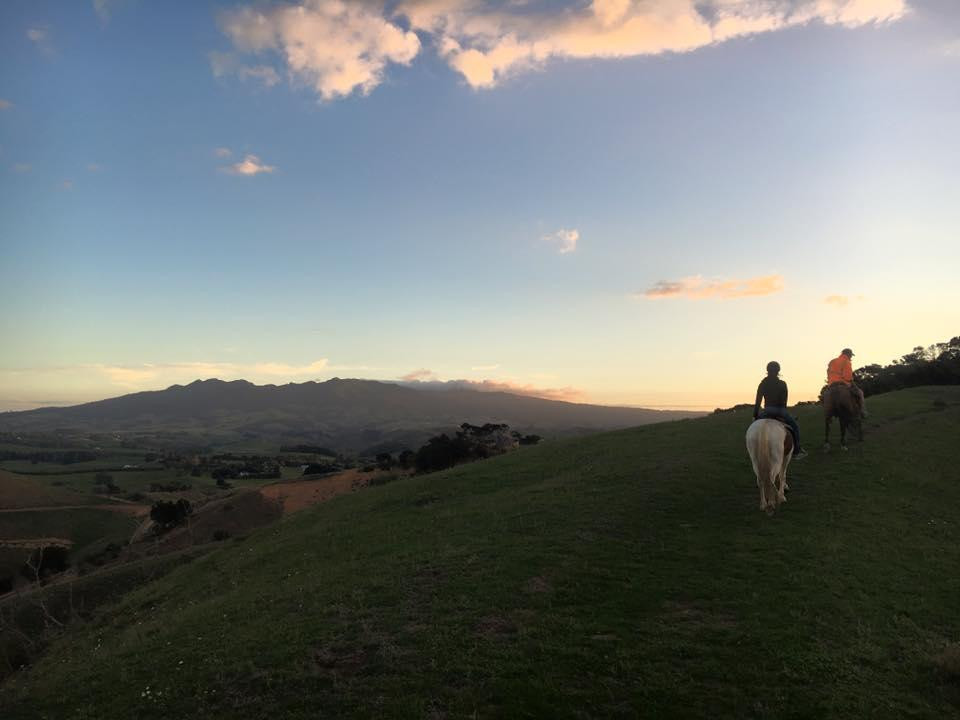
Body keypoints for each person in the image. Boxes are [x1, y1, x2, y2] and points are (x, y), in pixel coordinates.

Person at [753, 361, 807, 459]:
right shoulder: (782, 384)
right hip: (780, 410)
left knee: (753, 427)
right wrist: (782, 413)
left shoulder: (763, 384)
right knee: (795, 426)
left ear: (767, 370)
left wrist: (755, 415)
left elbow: (758, 401)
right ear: (778, 371)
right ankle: (797, 450)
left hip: (767, 411)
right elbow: (784, 401)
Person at [826, 348, 867, 417]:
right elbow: (848, 377)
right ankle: (862, 411)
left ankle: (828, 417)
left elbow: (828, 372)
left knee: (826, 397)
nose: (851, 357)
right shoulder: (846, 361)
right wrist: (853, 384)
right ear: (848, 354)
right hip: (843, 383)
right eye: (851, 355)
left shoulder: (832, 361)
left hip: (831, 385)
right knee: (860, 393)